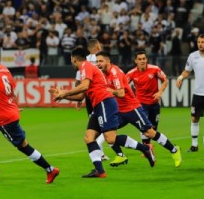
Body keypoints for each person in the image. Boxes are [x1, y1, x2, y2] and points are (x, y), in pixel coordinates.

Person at [52, 47, 155, 178]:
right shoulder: (87, 70)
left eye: (71, 60)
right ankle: (100, 171)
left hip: (105, 103)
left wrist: (65, 92)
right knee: (89, 137)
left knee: (110, 139)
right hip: (98, 106)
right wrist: (63, 96)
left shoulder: (85, 66)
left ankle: (145, 148)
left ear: (74, 59)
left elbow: (83, 86)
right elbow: (81, 96)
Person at [0, 43, 59, 183]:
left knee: (23, 146)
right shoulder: (5, 70)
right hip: (8, 111)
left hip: (4, 117)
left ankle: (50, 169)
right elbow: (12, 93)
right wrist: (15, 107)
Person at [96, 51, 182, 168]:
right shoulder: (109, 74)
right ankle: (121, 155)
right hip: (119, 110)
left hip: (132, 107)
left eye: (100, 61)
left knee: (149, 132)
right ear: (136, 61)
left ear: (108, 61)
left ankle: (174, 150)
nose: (98, 64)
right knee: (108, 133)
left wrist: (109, 91)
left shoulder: (114, 73)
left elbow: (121, 93)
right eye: (97, 61)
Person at [126, 51, 168, 151]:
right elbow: (124, 86)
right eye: (139, 59)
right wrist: (131, 97)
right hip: (140, 104)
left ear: (147, 59)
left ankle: (148, 146)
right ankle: (146, 148)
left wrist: (159, 92)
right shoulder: (131, 73)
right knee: (144, 127)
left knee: (153, 130)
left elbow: (165, 80)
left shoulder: (155, 69)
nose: (142, 61)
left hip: (154, 103)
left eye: (144, 59)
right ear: (135, 61)